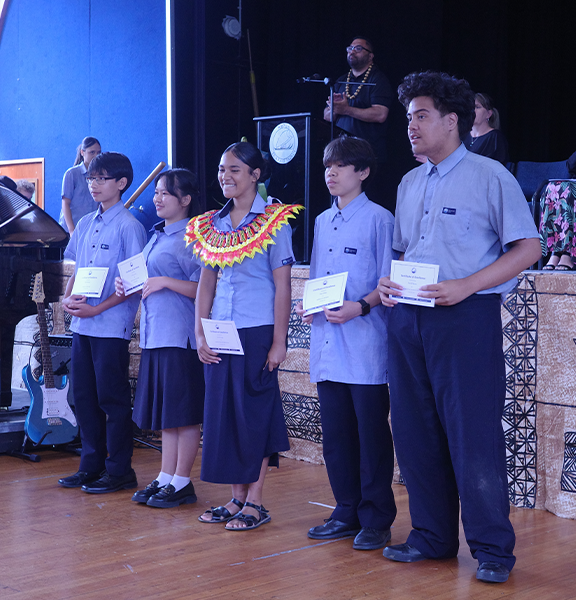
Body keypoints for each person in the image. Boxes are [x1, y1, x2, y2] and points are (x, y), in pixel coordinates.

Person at [377, 71, 541, 583]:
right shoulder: (408, 183)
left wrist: (468, 285)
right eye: (408, 117)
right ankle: (431, 536)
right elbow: (406, 252)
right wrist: (388, 284)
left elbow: (529, 248)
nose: (411, 126)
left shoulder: (490, 176)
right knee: (414, 430)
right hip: (407, 318)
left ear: (452, 121)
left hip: (465, 318)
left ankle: (492, 549)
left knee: (473, 434)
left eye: (421, 116)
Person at [188, 142, 302, 530]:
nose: (225, 176)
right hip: (219, 329)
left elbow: (283, 286)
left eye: (235, 169)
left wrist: (279, 341)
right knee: (224, 415)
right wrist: (200, 331)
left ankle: (256, 501)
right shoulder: (210, 224)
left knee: (254, 413)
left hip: (256, 330)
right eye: (222, 169)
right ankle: (236, 498)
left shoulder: (274, 221)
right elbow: (206, 283)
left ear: (255, 175)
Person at [295, 136, 396, 551]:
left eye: (340, 166)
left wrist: (361, 306)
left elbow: (389, 283)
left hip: (365, 342)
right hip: (328, 341)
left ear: (363, 172)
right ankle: (345, 510)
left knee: (370, 436)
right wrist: (309, 305)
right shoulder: (322, 220)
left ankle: (376, 519)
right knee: (336, 436)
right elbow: (318, 277)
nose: (330, 173)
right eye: (327, 166)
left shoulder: (379, 219)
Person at [115, 169, 205, 508]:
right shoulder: (157, 234)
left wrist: (165, 282)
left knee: (184, 413)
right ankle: (166, 476)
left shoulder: (193, 238)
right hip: (155, 335)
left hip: (181, 337)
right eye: (156, 192)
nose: (157, 198)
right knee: (168, 414)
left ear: (185, 199)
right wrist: (128, 284)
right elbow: (145, 278)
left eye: (165, 193)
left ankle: (183, 481)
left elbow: (205, 287)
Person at [58, 152, 147, 494]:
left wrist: (97, 310)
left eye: (101, 178)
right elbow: (77, 269)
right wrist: (67, 298)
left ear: (121, 183)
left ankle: (120, 470)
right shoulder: (84, 223)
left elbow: (134, 285)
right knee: (83, 398)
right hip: (82, 326)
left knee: (112, 400)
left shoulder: (129, 226)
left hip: (110, 327)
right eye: (91, 178)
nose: (93, 184)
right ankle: (90, 466)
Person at [324, 37, 394, 208]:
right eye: (350, 48)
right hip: (341, 155)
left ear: (370, 56)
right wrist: (335, 109)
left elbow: (380, 114)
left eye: (358, 48)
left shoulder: (377, 80)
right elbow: (327, 116)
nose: (352, 51)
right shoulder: (340, 81)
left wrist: (346, 110)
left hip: (369, 155)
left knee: (367, 204)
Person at [539, 118, 576, 270]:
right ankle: (556, 252)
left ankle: (569, 255)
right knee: (553, 187)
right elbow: (571, 167)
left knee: (575, 190)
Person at [59, 136, 102, 234]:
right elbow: (65, 203)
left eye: (98, 153)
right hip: (70, 230)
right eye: (92, 152)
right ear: (82, 152)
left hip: (88, 229)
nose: (96, 156)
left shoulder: (100, 176)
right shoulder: (72, 173)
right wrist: (71, 230)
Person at [462, 93, 509, 165]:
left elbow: (497, 166)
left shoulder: (495, 137)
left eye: (477, 107)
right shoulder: (462, 135)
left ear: (488, 114)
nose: (473, 111)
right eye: (470, 107)